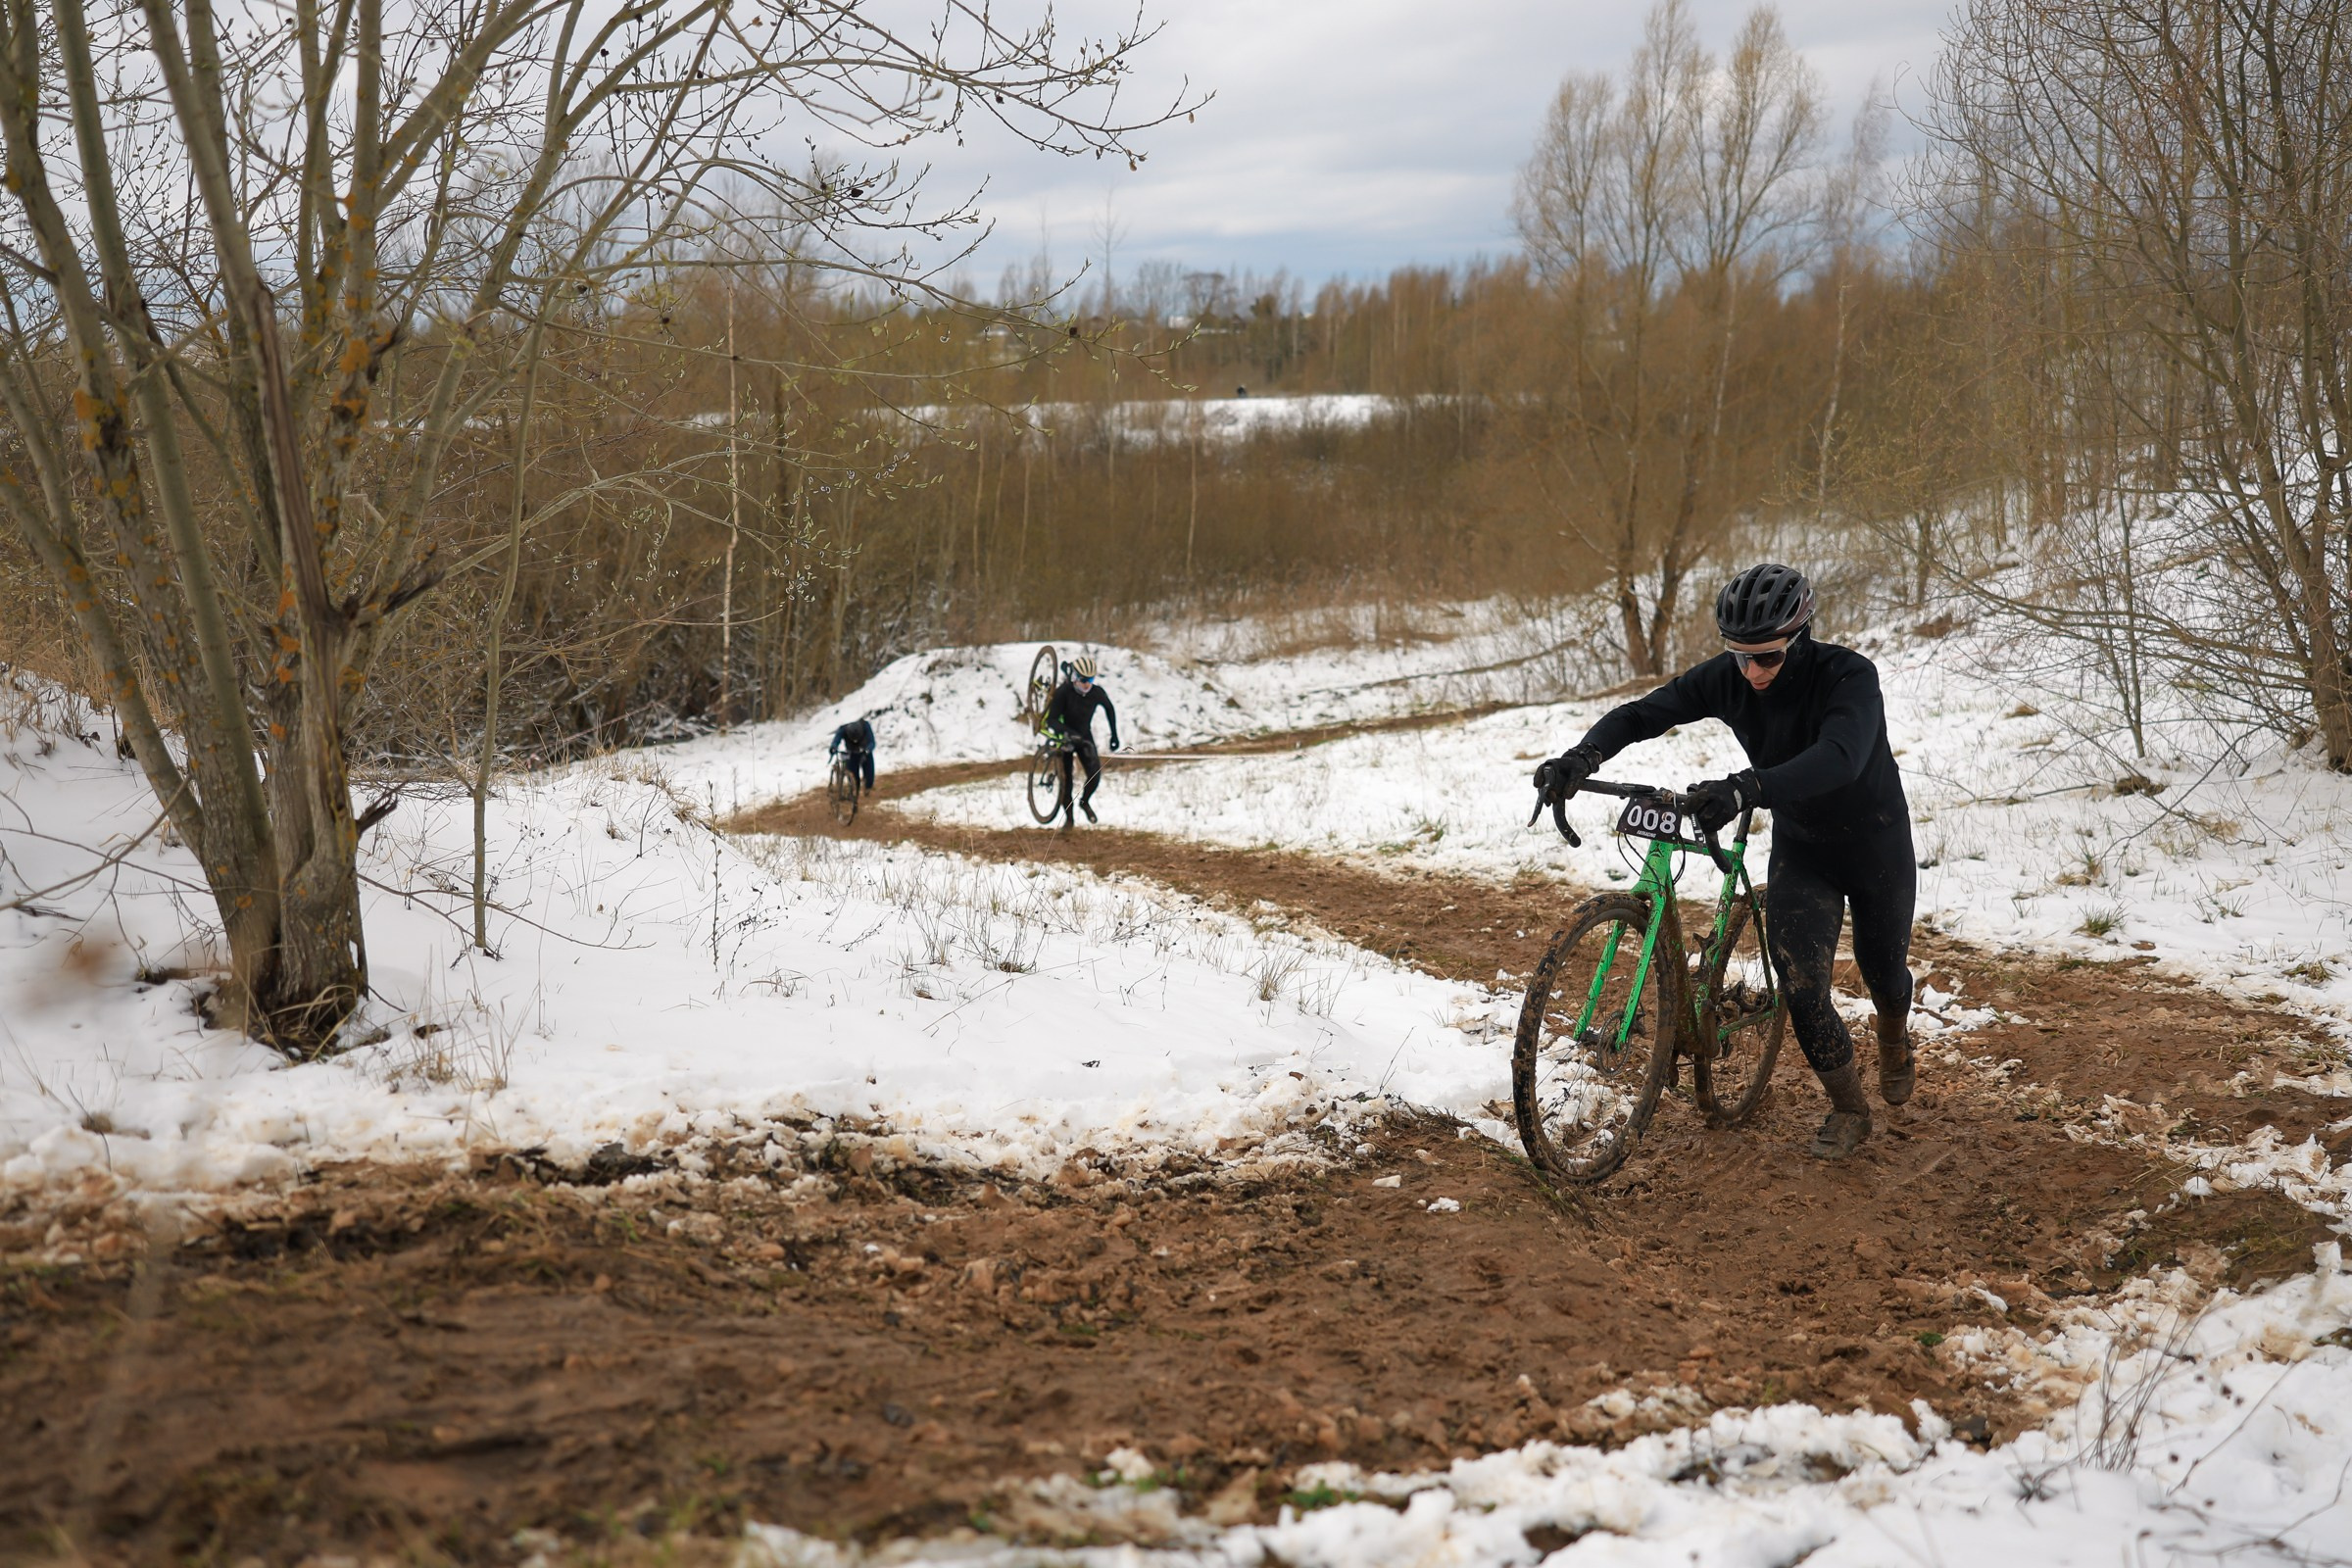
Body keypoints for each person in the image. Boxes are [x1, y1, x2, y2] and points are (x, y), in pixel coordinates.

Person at [1533, 563, 1916, 1161]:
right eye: (1738, 657)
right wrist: (1582, 757)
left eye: (1766, 657)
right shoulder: (1732, 678)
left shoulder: (1848, 676)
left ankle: (1895, 1036)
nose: (1751, 672)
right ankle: (1848, 1108)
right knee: (1800, 981)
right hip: (1805, 847)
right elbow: (1644, 713)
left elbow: (1840, 757)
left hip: (1875, 843)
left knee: (1883, 972)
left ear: (1801, 637)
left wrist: (1746, 787)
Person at [1041, 654, 1121, 825]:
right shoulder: (1064, 692)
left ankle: (1084, 802)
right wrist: (1068, 733)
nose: (1086, 684)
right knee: (1067, 781)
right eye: (1083, 680)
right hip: (1066, 738)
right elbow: (1051, 720)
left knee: (1095, 774)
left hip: (1084, 736)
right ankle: (1069, 819)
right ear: (1075, 677)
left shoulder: (1096, 692)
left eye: (1090, 680)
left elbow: (1109, 709)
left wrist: (1114, 734)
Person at [829, 714, 875, 791]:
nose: (855, 741)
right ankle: (855, 790)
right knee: (853, 775)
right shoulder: (843, 729)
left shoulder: (866, 726)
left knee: (869, 774)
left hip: (865, 752)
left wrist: (867, 750)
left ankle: (868, 788)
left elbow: (872, 742)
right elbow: (836, 739)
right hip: (852, 753)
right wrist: (834, 746)